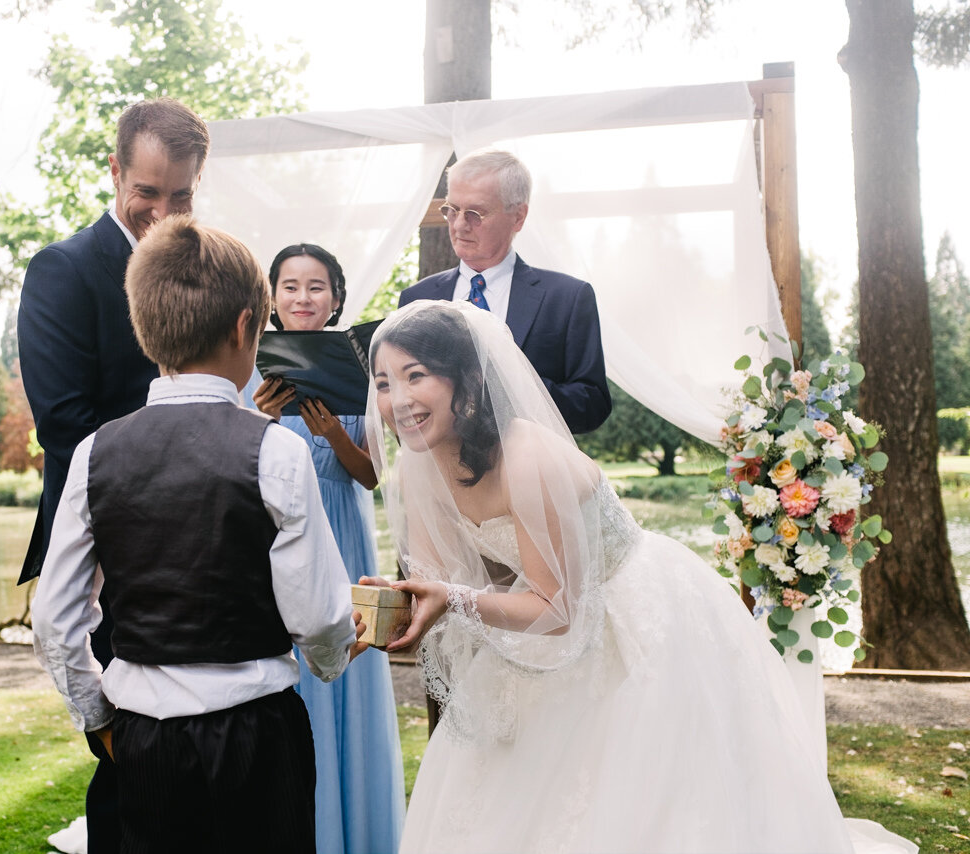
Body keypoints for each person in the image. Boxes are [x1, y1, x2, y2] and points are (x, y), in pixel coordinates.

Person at [363, 300, 915, 854]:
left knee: (641, 789)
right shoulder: (418, 468)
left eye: (417, 376)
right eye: (384, 383)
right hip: (534, 617)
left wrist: (455, 598)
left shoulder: (528, 458)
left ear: (469, 381)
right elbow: (445, 584)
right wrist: (398, 609)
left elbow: (558, 611)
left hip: (630, 612)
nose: (399, 401)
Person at [32, 216, 367, 853]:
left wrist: (97, 713)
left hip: (144, 735)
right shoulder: (276, 450)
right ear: (248, 325)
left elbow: (54, 619)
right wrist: (328, 662)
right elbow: (321, 619)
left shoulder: (95, 451)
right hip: (257, 731)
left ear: (143, 328)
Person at [16, 97, 209, 852]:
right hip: (108, 539)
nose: (163, 213)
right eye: (148, 193)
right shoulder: (64, 270)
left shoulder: (205, 270)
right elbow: (63, 421)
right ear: (115, 172)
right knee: (128, 748)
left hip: (201, 542)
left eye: (182, 196)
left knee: (192, 738)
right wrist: (190, 457)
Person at [250, 244, 405, 854]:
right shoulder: (250, 376)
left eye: (317, 287)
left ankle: (355, 834)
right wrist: (260, 420)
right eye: (290, 287)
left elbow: (371, 476)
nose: (303, 298)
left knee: (346, 682)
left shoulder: (360, 371)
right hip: (277, 548)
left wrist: (333, 432)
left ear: (336, 298)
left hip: (342, 537)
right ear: (273, 299)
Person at [398, 149, 611, 435]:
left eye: (475, 213)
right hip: (442, 473)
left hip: (536, 470)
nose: (459, 224)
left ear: (518, 217)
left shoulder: (567, 298)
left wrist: (510, 386)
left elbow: (592, 405)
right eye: (452, 210)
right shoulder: (415, 300)